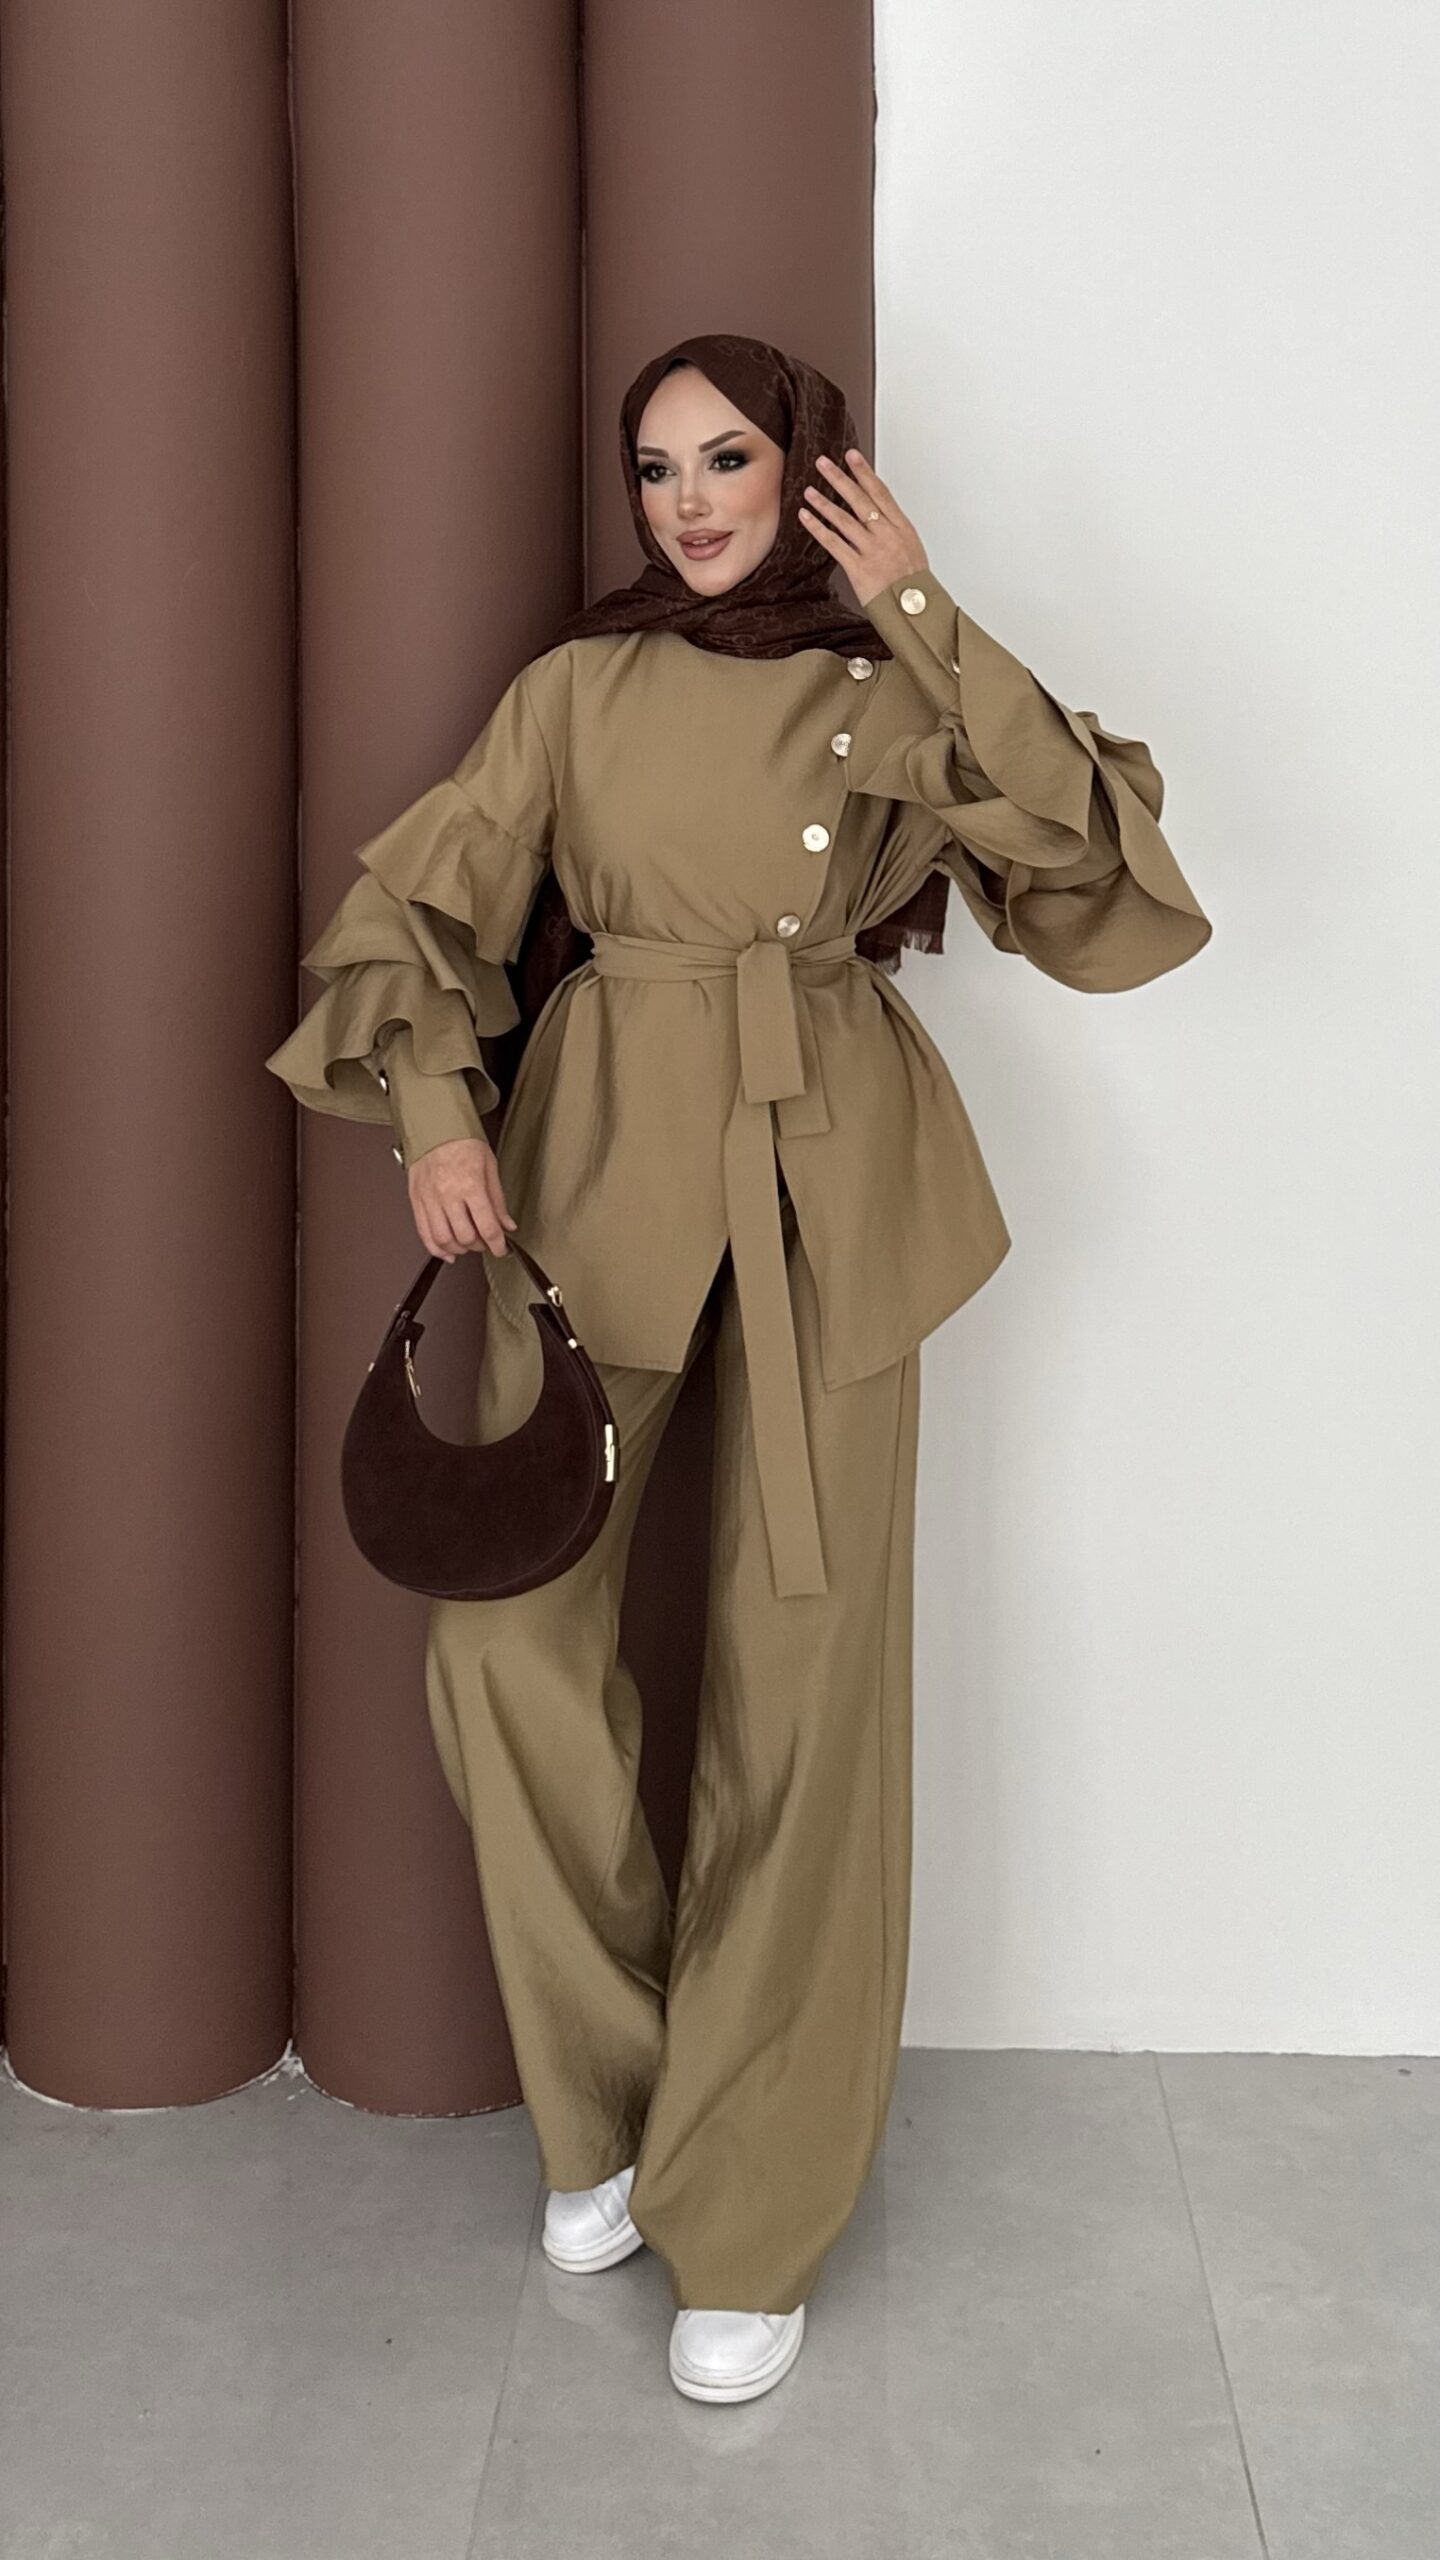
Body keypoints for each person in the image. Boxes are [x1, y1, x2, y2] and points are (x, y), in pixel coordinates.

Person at [265, 331, 1211, 2405]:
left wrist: (920, 607)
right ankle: (615, 2096)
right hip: (594, 1168)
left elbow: (1092, 879)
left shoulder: (896, 678)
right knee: (500, 1648)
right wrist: (431, 1108)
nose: (689, 501)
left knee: (808, 1690)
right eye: (656, 467)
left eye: (728, 459)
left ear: (812, 470)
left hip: (833, 1178)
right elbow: (420, 898)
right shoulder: (576, 690)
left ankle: (756, 2199)